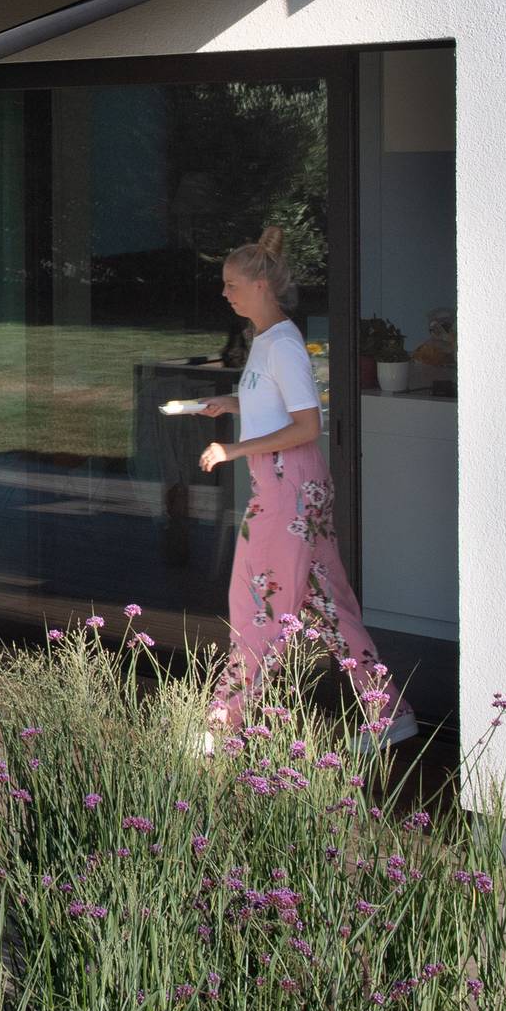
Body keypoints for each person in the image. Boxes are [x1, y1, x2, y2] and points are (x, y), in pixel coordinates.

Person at [196, 228, 416, 745]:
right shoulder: (267, 342)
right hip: (291, 488)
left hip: (284, 490)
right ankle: (389, 713)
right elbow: (276, 406)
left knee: (258, 598)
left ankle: (227, 719)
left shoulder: (284, 346)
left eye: (231, 283)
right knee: (331, 603)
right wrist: (231, 405)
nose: (224, 293)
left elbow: (306, 425)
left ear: (260, 284)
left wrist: (231, 449)